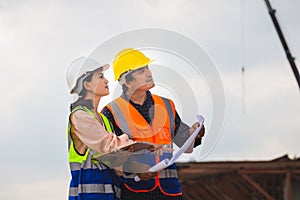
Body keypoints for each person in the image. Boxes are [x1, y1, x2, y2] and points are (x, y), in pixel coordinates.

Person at [101, 48, 206, 200]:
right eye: (141, 71)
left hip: (169, 190)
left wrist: (194, 133)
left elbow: (183, 141)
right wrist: (135, 169)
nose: (148, 73)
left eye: (147, 68)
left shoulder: (166, 105)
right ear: (127, 82)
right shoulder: (111, 112)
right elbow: (110, 157)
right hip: (135, 192)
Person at [66, 57, 134, 200]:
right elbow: (110, 146)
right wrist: (126, 140)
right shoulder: (80, 116)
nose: (107, 81)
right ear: (87, 85)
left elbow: (115, 157)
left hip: (109, 192)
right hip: (88, 194)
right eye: (100, 76)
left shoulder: (103, 120)